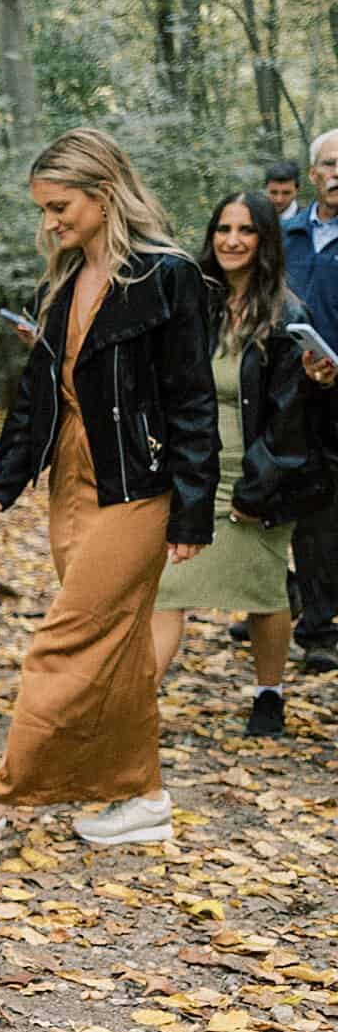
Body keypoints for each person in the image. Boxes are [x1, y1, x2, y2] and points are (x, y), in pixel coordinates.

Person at [0, 128, 218, 860]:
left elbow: (192, 398)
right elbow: (38, 396)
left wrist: (194, 507)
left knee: (67, 640)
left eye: (60, 206)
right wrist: (2, 483)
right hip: (73, 481)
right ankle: (140, 797)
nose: (50, 221)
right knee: (113, 646)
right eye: (44, 209)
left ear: (103, 194)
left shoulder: (166, 277)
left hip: (136, 485)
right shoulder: (64, 279)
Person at [154, 191, 332, 735]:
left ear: (264, 241)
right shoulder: (191, 302)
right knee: (168, 588)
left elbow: (289, 417)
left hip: (258, 472)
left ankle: (269, 694)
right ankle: (135, 703)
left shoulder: (286, 314)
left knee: (262, 589)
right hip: (192, 468)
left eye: (246, 230)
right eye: (223, 229)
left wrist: (260, 489)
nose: (232, 240)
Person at [280, 132, 338, 674]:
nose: (337, 172)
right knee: (303, 507)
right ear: (313, 174)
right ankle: (311, 622)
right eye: (329, 164)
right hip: (291, 395)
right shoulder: (285, 234)